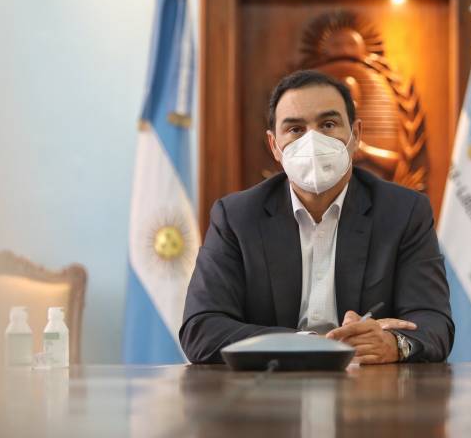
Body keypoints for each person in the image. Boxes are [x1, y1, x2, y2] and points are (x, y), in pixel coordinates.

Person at [180, 70, 454, 364]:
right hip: (270, 386)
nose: (313, 141)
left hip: (369, 386)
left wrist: (393, 344)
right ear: (274, 146)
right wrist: (309, 344)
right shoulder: (236, 217)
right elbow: (201, 329)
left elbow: (433, 322)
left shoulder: (403, 212)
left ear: (356, 135)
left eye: (328, 125)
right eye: (295, 129)